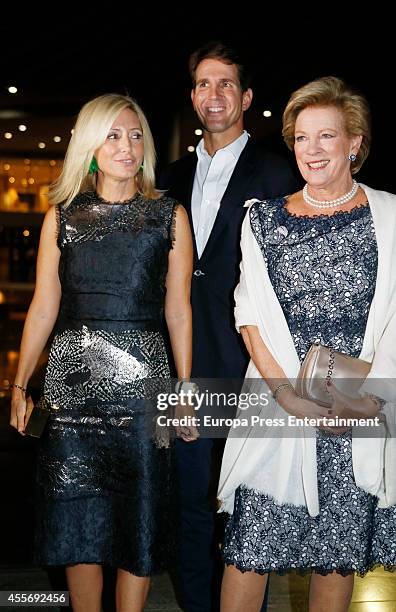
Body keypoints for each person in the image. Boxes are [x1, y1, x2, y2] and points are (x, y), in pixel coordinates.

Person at [10, 93, 195, 612]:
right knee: (77, 520)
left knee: (138, 519)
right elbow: (44, 306)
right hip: (70, 395)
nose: (127, 146)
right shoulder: (62, 217)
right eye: (113, 135)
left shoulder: (168, 215)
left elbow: (179, 310)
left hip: (144, 395)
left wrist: (184, 389)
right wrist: (21, 384)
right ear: (90, 146)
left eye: (136, 135)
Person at [218, 76, 396, 611]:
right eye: (301, 137)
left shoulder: (389, 216)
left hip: (356, 407)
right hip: (277, 404)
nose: (312, 150)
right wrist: (289, 397)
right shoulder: (262, 219)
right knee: (250, 544)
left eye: (326, 137)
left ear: (354, 143)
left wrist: (367, 404)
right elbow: (248, 315)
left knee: (336, 554)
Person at [158, 41, 299, 611]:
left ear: (244, 97)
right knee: (188, 507)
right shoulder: (167, 178)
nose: (212, 95)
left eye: (224, 85)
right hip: (180, 368)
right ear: (192, 96)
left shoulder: (277, 174)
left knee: (246, 516)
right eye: (202, 84)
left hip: (248, 370)